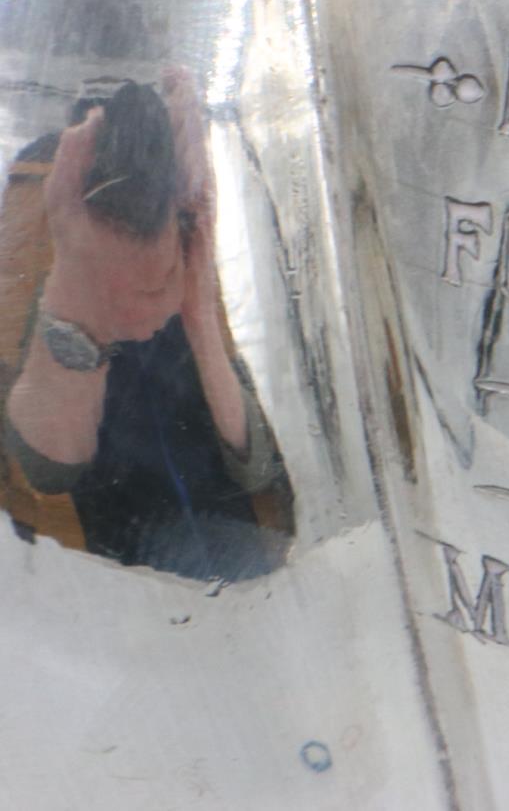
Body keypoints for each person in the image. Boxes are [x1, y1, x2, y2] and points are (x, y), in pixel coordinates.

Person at [0, 70, 291, 581]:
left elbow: (260, 469)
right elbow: (45, 475)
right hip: (103, 554)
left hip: (234, 544)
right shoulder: (37, 199)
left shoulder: (192, 222)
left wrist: (198, 315)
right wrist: (80, 303)